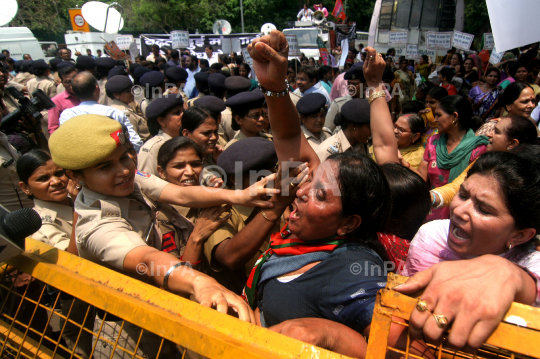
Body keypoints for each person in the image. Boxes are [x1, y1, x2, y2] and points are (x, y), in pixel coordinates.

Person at [47, 114, 280, 358]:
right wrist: (200, 282)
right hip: (133, 331)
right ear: (75, 176)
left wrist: (238, 196)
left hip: (166, 306)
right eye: (105, 167)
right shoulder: (96, 224)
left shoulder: (125, 179)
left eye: (126, 155)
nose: (124, 169)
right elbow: (147, 259)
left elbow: (179, 195)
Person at [431, 115, 538, 208]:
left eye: (496, 132)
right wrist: (431, 197)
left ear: (512, 143)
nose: (489, 134)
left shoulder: (524, 178)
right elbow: (456, 187)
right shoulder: (484, 161)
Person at [414, 95, 489, 221]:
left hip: (461, 213)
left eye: (439, 115)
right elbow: (422, 176)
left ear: (454, 117)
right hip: (431, 208)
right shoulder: (433, 142)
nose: (435, 119)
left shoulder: (478, 148)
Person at [58, 71, 143, 151]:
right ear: (97, 89)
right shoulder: (113, 112)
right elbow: (135, 142)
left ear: (72, 90)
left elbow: (67, 144)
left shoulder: (67, 115)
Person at [138, 95, 184, 175]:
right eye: (177, 113)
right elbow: (146, 183)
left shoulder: (187, 139)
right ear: (161, 121)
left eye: (183, 111)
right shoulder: (153, 148)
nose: (183, 115)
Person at [180, 106, 224, 186]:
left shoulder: (214, 155)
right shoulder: (180, 163)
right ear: (186, 134)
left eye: (215, 132)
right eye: (206, 133)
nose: (214, 137)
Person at [316, 98, 371, 162]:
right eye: (369, 127)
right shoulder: (327, 152)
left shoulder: (361, 144)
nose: (372, 132)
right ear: (354, 126)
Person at [106, 75, 151, 142]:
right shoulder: (124, 113)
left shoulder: (120, 107)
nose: (133, 93)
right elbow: (133, 140)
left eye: (132, 90)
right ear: (116, 95)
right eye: (128, 91)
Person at [48, 65, 80, 135]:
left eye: (74, 80)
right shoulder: (56, 101)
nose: (72, 84)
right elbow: (53, 128)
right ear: (62, 83)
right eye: (68, 82)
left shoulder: (89, 95)